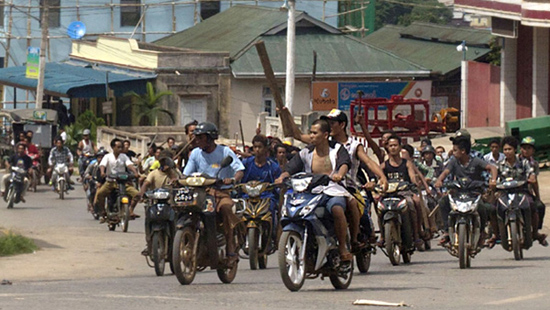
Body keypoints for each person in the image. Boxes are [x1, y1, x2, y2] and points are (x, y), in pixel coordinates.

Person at [275, 119, 353, 263]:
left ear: (325, 135)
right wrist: (282, 177)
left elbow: (344, 163)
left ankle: (342, 247)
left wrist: (339, 175)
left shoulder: (337, 149)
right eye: (310, 133)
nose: (311, 136)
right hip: (309, 191)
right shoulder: (305, 152)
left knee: (336, 209)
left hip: (333, 189)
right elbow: (290, 169)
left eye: (314, 133)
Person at [320, 109, 388, 251]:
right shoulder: (324, 143)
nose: (329, 126)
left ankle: (360, 236)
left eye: (332, 123)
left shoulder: (354, 145)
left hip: (350, 188)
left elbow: (368, 162)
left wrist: (381, 177)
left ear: (342, 124)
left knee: (361, 210)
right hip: (326, 188)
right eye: (327, 123)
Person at [183, 122, 245, 265]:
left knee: (226, 208)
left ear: (210, 138)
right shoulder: (195, 153)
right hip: (200, 192)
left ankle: (230, 249)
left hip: (220, 192)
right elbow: (187, 173)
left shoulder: (225, 152)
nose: (196, 141)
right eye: (196, 137)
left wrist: (233, 179)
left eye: (200, 138)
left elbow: (240, 169)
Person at [434, 136, 497, 246]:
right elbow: (445, 172)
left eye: (455, 150)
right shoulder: (453, 162)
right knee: (443, 202)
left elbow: (492, 168)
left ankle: (482, 232)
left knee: (483, 208)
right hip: (458, 193)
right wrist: (439, 180)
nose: (453, 153)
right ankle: (446, 231)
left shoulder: (476, 161)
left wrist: (493, 180)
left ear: (463, 151)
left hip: (474, 193)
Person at [497, 136, 547, 246]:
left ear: (514, 149)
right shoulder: (500, 164)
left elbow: (532, 176)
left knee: (533, 206)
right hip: (506, 193)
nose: (507, 152)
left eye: (509, 149)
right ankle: (497, 234)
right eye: (505, 149)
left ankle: (534, 232)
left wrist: (532, 179)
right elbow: (496, 179)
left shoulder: (524, 163)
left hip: (522, 192)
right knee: (496, 208)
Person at [380, 135, 427, 250]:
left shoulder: (406, 163)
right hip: (389, 194)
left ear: (400, 147)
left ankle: (416, 234)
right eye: (390, 146)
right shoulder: (384, 165)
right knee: (379, 207)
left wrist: (414, 182)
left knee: (413, 203)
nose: (393, 148)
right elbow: (379, 178)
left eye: (395, 145)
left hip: (404, 193)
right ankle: (382, 236)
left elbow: (412, 176)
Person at [240, 134, 282, 245]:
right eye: (255, 147)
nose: (257, 150)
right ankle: (240, 237)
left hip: (266, 197)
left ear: (266, 149)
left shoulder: (272, 166)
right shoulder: (246, 163)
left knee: (272, 210)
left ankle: (272, 237)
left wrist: (276, 183)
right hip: (247, 196)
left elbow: (278, 181)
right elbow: (239, 175)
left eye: (260, 147)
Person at [138, 156, 180, 256]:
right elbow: (146, 184)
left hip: (171, 204)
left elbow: (180, 181)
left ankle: (176, 244)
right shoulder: (154, 174)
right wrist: (141, 194)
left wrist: (175, 180)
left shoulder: (175, 173)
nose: (166, 167)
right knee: (148, 220)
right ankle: (149, 244)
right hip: (155, 203)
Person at [95, 138, 140, 222]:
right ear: (113, 147)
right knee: (100, 194)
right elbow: (102, 165)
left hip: (123, 182)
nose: (120, 149)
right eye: (118, 147)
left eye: (121, 147)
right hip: (110, 182)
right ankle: (103, 212)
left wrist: (135, 172)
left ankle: (130, 210)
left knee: (137, 194)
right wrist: (102, 172)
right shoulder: (107, 156)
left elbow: (129, 165)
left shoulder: (124, 156)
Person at [519, 136, 546, 233]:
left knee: (539, 206)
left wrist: (538, 196)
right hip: (515, 189)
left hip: (527, 191)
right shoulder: (516, 160)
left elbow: (535, 181)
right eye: (524, 148)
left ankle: (535, 231)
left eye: (529, 148)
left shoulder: (534, 164)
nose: (526, 150)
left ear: (533, 150)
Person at [83, 148, 108, 215]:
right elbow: (86, 173)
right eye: (99, 157)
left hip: (106, 182)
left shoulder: (109, 166)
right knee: (91, 192)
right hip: (94, 182)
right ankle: (91, 204)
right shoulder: (93, 165)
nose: (101, 159)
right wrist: (89, 177)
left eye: (102, 157)